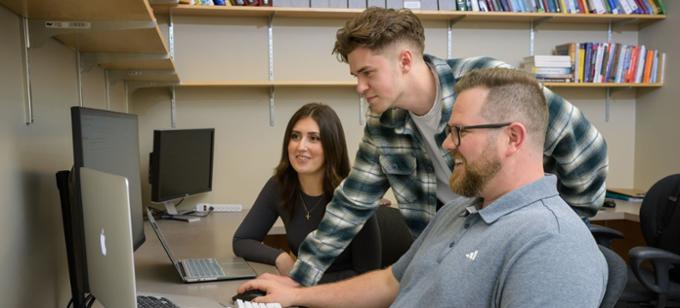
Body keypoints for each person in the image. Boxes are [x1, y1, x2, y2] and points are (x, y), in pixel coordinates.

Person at [285, 7, 608, 286]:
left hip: (515, 242)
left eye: (367, 73)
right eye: (356, 75)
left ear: (405, 60)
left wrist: (567, 222)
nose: (359, 87)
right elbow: (351, 204)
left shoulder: (487, 83)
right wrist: (297, 280)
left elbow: (587, 147)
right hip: (449, 252)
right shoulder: (382, 123)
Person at [238, 67, 608, 307]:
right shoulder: (456, 211)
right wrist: (297, 294)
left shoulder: (553, 244)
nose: (446, 146)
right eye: (448, 132)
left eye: (459, 132)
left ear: (513, 138)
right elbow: (389, 283)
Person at [232, 102, 381, 283]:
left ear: (331, 146)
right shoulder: (280, 186)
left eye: (314, 138)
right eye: (295, 136)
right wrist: (282, 258)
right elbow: (242, 240)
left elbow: (367, 279)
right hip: (302, 295)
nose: (301, 146)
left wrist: (299, 282)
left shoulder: (354, 198)